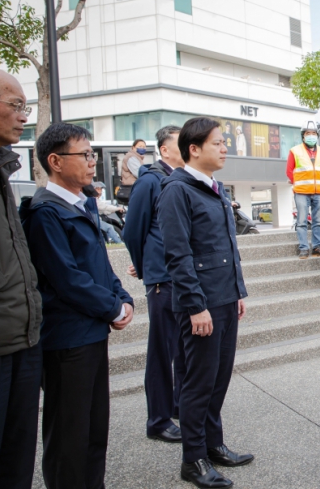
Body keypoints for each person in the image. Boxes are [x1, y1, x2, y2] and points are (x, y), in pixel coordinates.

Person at [21, 122, 135, 489]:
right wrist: (112, 309)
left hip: (89, 331)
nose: (92, 162)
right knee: (68, 434)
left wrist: (123, 297)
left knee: (93, 426)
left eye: (91, 154)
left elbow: (99, 266)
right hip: (66, 338)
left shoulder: (81, 204)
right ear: (55, 161)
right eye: (84, 155)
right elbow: (66, 278)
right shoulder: (45, 211)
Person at [157, 117, 252, 489]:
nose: (225, 147)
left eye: (224, 141)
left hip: (225, 299)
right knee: (197, 384)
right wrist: (196, 306)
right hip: (201, 305)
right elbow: (178, 255)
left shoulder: (215, 187)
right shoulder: (176, 190)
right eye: (217, 142)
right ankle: (192, 458)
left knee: (218, 379)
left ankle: (214, 445)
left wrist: (237, 291)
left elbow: (227, 245)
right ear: (193, 149)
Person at [0, 68, 42, 489]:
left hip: (21, 337)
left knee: (16, 458)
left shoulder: (0, 169)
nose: (23, 115)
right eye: (15, 105)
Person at [122, 125, 186, 444]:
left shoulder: (182, 179)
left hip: (181, 277)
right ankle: (158, 420)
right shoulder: (151, 180)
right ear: (164, 150)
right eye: (181, 142)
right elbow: (133, 230)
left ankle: (174, 406)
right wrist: (146, 265)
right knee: (161, 351)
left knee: (179, 349)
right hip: (162, 278)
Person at [286, 126, 320, 259]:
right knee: (301, 221)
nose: (311, 136)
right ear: (303, 136)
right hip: (301, 191)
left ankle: (317, 246)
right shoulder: (295, 151)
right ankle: (304, 248)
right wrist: (297, 182)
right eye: (308, 133)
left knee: (318, 221)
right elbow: (289, 171)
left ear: (317, 135)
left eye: (313, 133)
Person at [119, 138, 147, 203]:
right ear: (133, 147)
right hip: (132, 188)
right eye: (140, 146)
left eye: (144, 147)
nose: (142, 148)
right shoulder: (131, 157)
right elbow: (139, 172)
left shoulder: (137, 157)